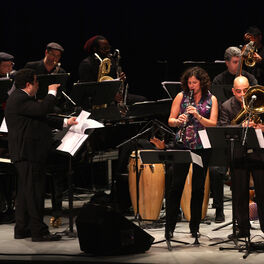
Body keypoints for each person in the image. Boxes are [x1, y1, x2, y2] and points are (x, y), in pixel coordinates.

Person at [4, 68, 78, 242]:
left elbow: (40, 117)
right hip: (28, 154)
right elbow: (42, 109)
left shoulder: (20, 99)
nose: (38, 86)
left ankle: (22, 228)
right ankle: (39, 232)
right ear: (29, 85)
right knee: (35, 193)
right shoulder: (20, 98)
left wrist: (66, 122)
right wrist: (52, 92)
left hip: (26, 153)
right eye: (37, 83)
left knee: (24, 193)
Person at [165, 66, 218, 240]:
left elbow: (213, 124)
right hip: (182, 144)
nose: (191, 85)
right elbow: (170, 120)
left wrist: (198, 115)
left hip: (203, 146)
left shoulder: (212, 99)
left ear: (202, 83)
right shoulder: (181, 96)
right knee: (176, 186)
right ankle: (169, 228)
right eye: (189, 82)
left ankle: (194, 227)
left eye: (194, 82)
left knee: (198, 188)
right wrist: (178, 120)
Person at [219, 75, 264, 238]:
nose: (242, 94)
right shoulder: (226, 106)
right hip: (238, 154)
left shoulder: (260, 99)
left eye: (245, 90)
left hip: (259, 153)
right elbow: (223, 129)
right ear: (233, 91)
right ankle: (243, 229)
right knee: (239, 194)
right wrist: (240, 127)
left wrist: (261, 127)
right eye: (238, 91)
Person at [78, 35, 146, 105]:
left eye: (109, 48)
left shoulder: (111, 60)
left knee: (142, 101)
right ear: (95, 49)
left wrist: (121, 79)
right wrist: (111, 95)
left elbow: (116, 81)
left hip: (114, 95)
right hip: (98, 99)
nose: (108, 51)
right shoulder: (87, 64)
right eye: (104, 49)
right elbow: (89, 89)